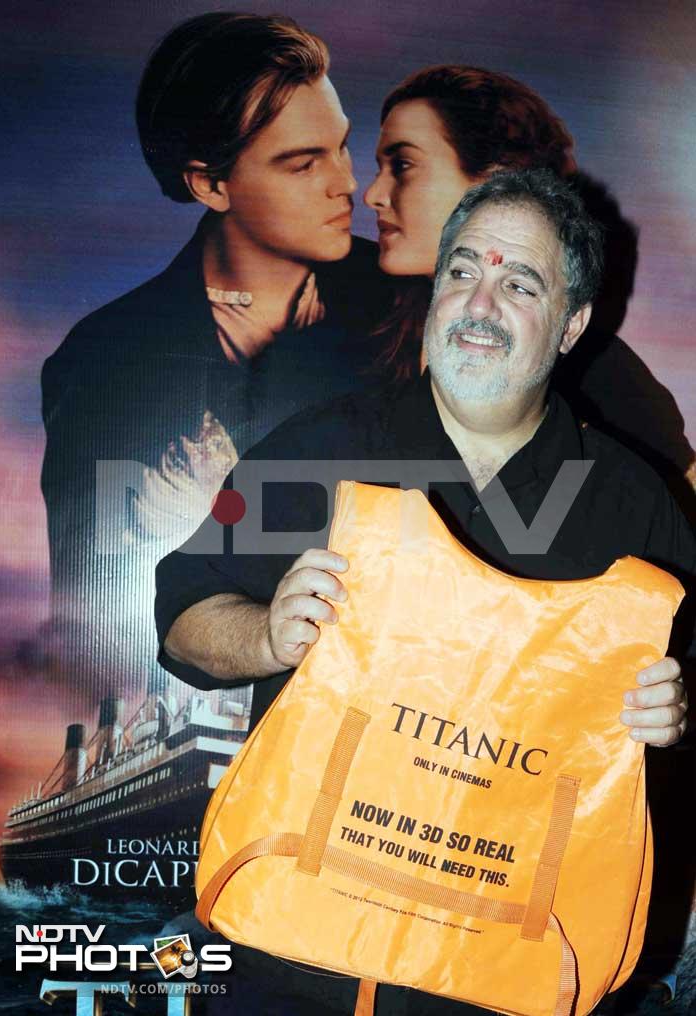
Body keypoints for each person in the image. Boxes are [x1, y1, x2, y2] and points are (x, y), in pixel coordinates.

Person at [156, 170, 693, 1015]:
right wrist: (264, 636)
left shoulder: (639, 505)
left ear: (572, 325)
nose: (480, 303)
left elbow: (690, 692)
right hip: (287, 966)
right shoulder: (312, 447)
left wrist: (680, 710)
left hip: (500, 981)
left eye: (520, 283)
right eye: (462, 271)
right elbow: (183, 605)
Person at [40, 12, 392, 693]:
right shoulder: (102, 362)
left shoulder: (414, 304)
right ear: (209, 184)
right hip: (194, 711)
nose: (346, 184)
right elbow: (94, 605)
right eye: (302, 162)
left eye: (342, 148)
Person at [363, 65, 695, 490]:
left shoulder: (608, 382)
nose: (373, 194)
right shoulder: (353, 307)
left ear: (496, 182)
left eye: (403, 165)